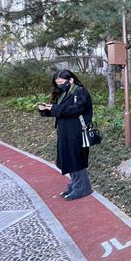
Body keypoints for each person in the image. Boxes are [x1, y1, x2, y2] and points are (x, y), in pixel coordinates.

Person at [38, 70, 94, 200]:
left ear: (71, 80)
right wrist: (45, 110)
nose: (59, 85)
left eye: (61, 82)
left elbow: (76, 109)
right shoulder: (64, 93)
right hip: (64, 132)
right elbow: (60, 111)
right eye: (57, 83)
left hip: (76, 132)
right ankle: (75, 185)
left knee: (76, 160)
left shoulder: (80, 92)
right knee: (68, 159)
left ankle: (82, 188)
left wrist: (54, 108)